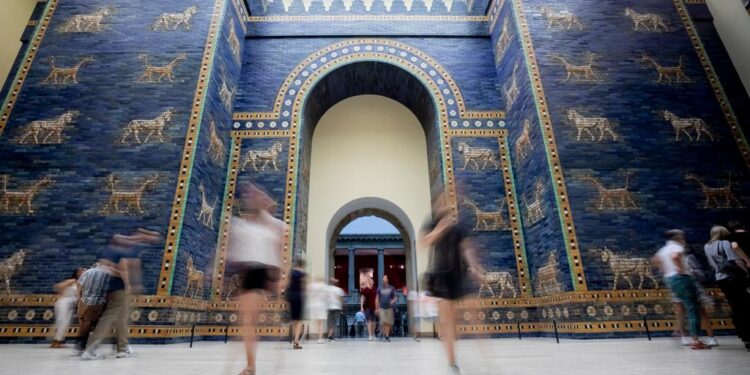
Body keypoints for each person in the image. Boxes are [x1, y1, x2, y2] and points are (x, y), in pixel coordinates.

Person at [420, 191, 484, 373]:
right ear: (436, 204)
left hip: (459, 275)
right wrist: (439, 230)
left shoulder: (459, 226)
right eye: (442, 201)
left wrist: (474, 267)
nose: (445, 204)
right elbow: (424, 242)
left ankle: (458, 349)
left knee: (454, 322)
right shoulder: (431, 223)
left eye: (448, 201)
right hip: (441, 276)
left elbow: (467, 249)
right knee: (447, 321)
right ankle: (452, 362)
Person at [227, 182, 286, 373]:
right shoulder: (242, 225)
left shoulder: (274, 225)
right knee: (248, 321)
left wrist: (279, 278)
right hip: (249, 272)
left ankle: (253, 363)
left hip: (264, 271)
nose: (254, 198)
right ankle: (250, 364)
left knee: (255, 320)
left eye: (260, 196)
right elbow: (230, 249)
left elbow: (279, 252)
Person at [82, 228, 159, 360]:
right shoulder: (125, 249)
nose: (153, 239)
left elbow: (105, 265)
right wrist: (129, 285)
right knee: (109, 317)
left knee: (122, 318)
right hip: (119, 289)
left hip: (111, 288)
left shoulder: (113, 250)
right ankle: (91, 349)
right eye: (151, 235)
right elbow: (123, 267)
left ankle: (122, 348)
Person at [652, 229, 710, 350]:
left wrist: (665, 270)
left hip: (670, 279)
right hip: (681, 278)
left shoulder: (663, 249)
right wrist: (679, 268)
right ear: (677, 237)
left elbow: (655, 260)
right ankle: (696, 341)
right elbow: (675, 256)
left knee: (684, 307)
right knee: (692, 308)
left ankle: (690, 337)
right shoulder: (677, 246)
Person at [704, 225, 750, 351]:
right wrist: (747, 270)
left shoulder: (707, 246)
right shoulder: (725, 243)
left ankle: (744, 336)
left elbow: (712, 264)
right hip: (734, 278)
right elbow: (735, 260)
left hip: (721, 279)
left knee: (735, 307)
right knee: (745, 306)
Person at [671, 246, 717, 347]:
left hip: (692, 288)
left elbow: (699, 273)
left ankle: (709, 337)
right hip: (681, 289)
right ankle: (687, 338)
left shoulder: (688, 259)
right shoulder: (673, 263)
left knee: (699, 312)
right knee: (682, 312)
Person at [72, 263, 114, 356]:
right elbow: (109, 289)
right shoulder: (107, 274)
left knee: (83, 324)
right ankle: (85, 347)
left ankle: (79, 348)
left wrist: (79, 297)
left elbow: (79, 284)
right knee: (90, 323)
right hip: (97, 301)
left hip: (84, 300)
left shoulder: (88, 272)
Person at [51, 267, 85, 348]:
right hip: (64, 302)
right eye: (81, 271)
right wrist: (62, 293)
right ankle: (56, 341)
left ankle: (58, 341)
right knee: (62, 321)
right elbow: (57, 287)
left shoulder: (83, 283)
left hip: (72, 304)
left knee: (66, 323)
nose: (83, 272)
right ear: (77, 273)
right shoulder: (72, 281)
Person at [286, 257, 306, 350]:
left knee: (294, 320)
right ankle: (296, 341)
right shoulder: (303, 274)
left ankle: (295, 339)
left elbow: (287, 284)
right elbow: (304, 287)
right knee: (299, 321)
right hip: (299, 298)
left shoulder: (291, 273)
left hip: (291, 297)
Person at [376, 275, 397, 341]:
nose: (383, 280)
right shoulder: (379, 288)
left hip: (389, 307)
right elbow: (377, 298)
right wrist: (377, 308)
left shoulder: (392, 288)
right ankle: (384, 333)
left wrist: (393, 301)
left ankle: (387, 336)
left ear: (387, 280)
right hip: (381, 307)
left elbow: (395, 297)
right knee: (383, 322)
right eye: (383, 279)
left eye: (384, 279)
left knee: (387, 322)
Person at [308, 278, 329, 344]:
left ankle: (318, 337)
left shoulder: (313, 286)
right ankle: (320, 339)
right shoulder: (324, 286)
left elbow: (310, 295)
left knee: (317, 323)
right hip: (321, 306)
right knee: (321, 323)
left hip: (314, 305)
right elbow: (326, 297)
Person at [360, 276, 377, 341]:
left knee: (374, 322)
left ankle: (373, 334)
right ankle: (370, 335)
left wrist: (378, 307)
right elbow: (362, 298)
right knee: (369, 321)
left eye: (371, 281)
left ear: (373, 282)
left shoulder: (376, 289)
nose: (370, 282)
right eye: (369, 281)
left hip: (375, 307)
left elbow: (378, 299)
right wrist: (361, 306)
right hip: (367, 307)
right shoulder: (365, 290)